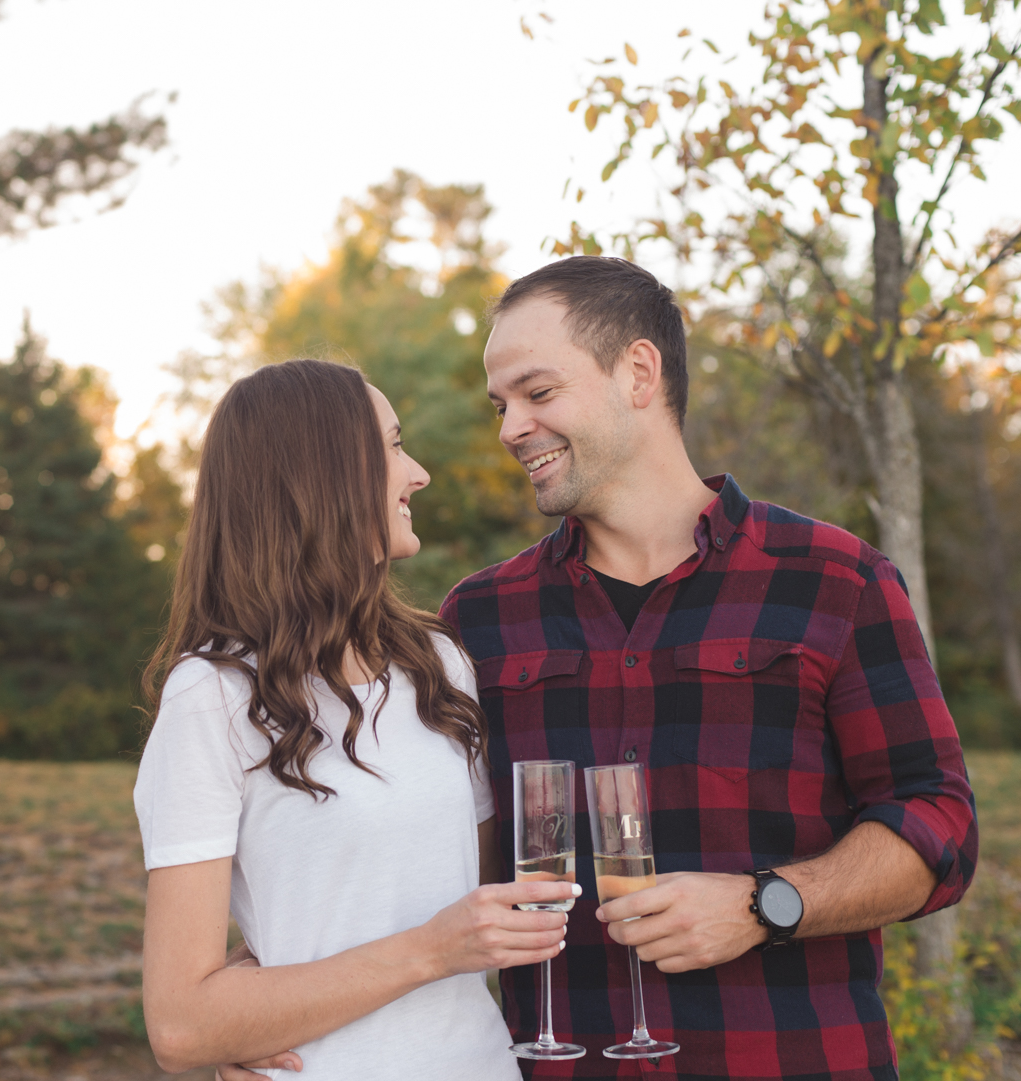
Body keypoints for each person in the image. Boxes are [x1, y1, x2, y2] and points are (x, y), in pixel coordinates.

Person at [438, 256, 978, 1079]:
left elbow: (939, 823)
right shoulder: (478, 620)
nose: (510, 427)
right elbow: (427, 858)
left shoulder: (835, 581)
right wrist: (287, 990)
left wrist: (765, 904)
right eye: (501, 404)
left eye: (537, 393)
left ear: (639, 372)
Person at [136, 358, 578, 1081]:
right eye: (395, 446)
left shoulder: (437, 663)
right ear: (321, 478)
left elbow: (479, 891)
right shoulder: (211, 697)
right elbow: (182, 1026)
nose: (420, 472)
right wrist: (427, 950)